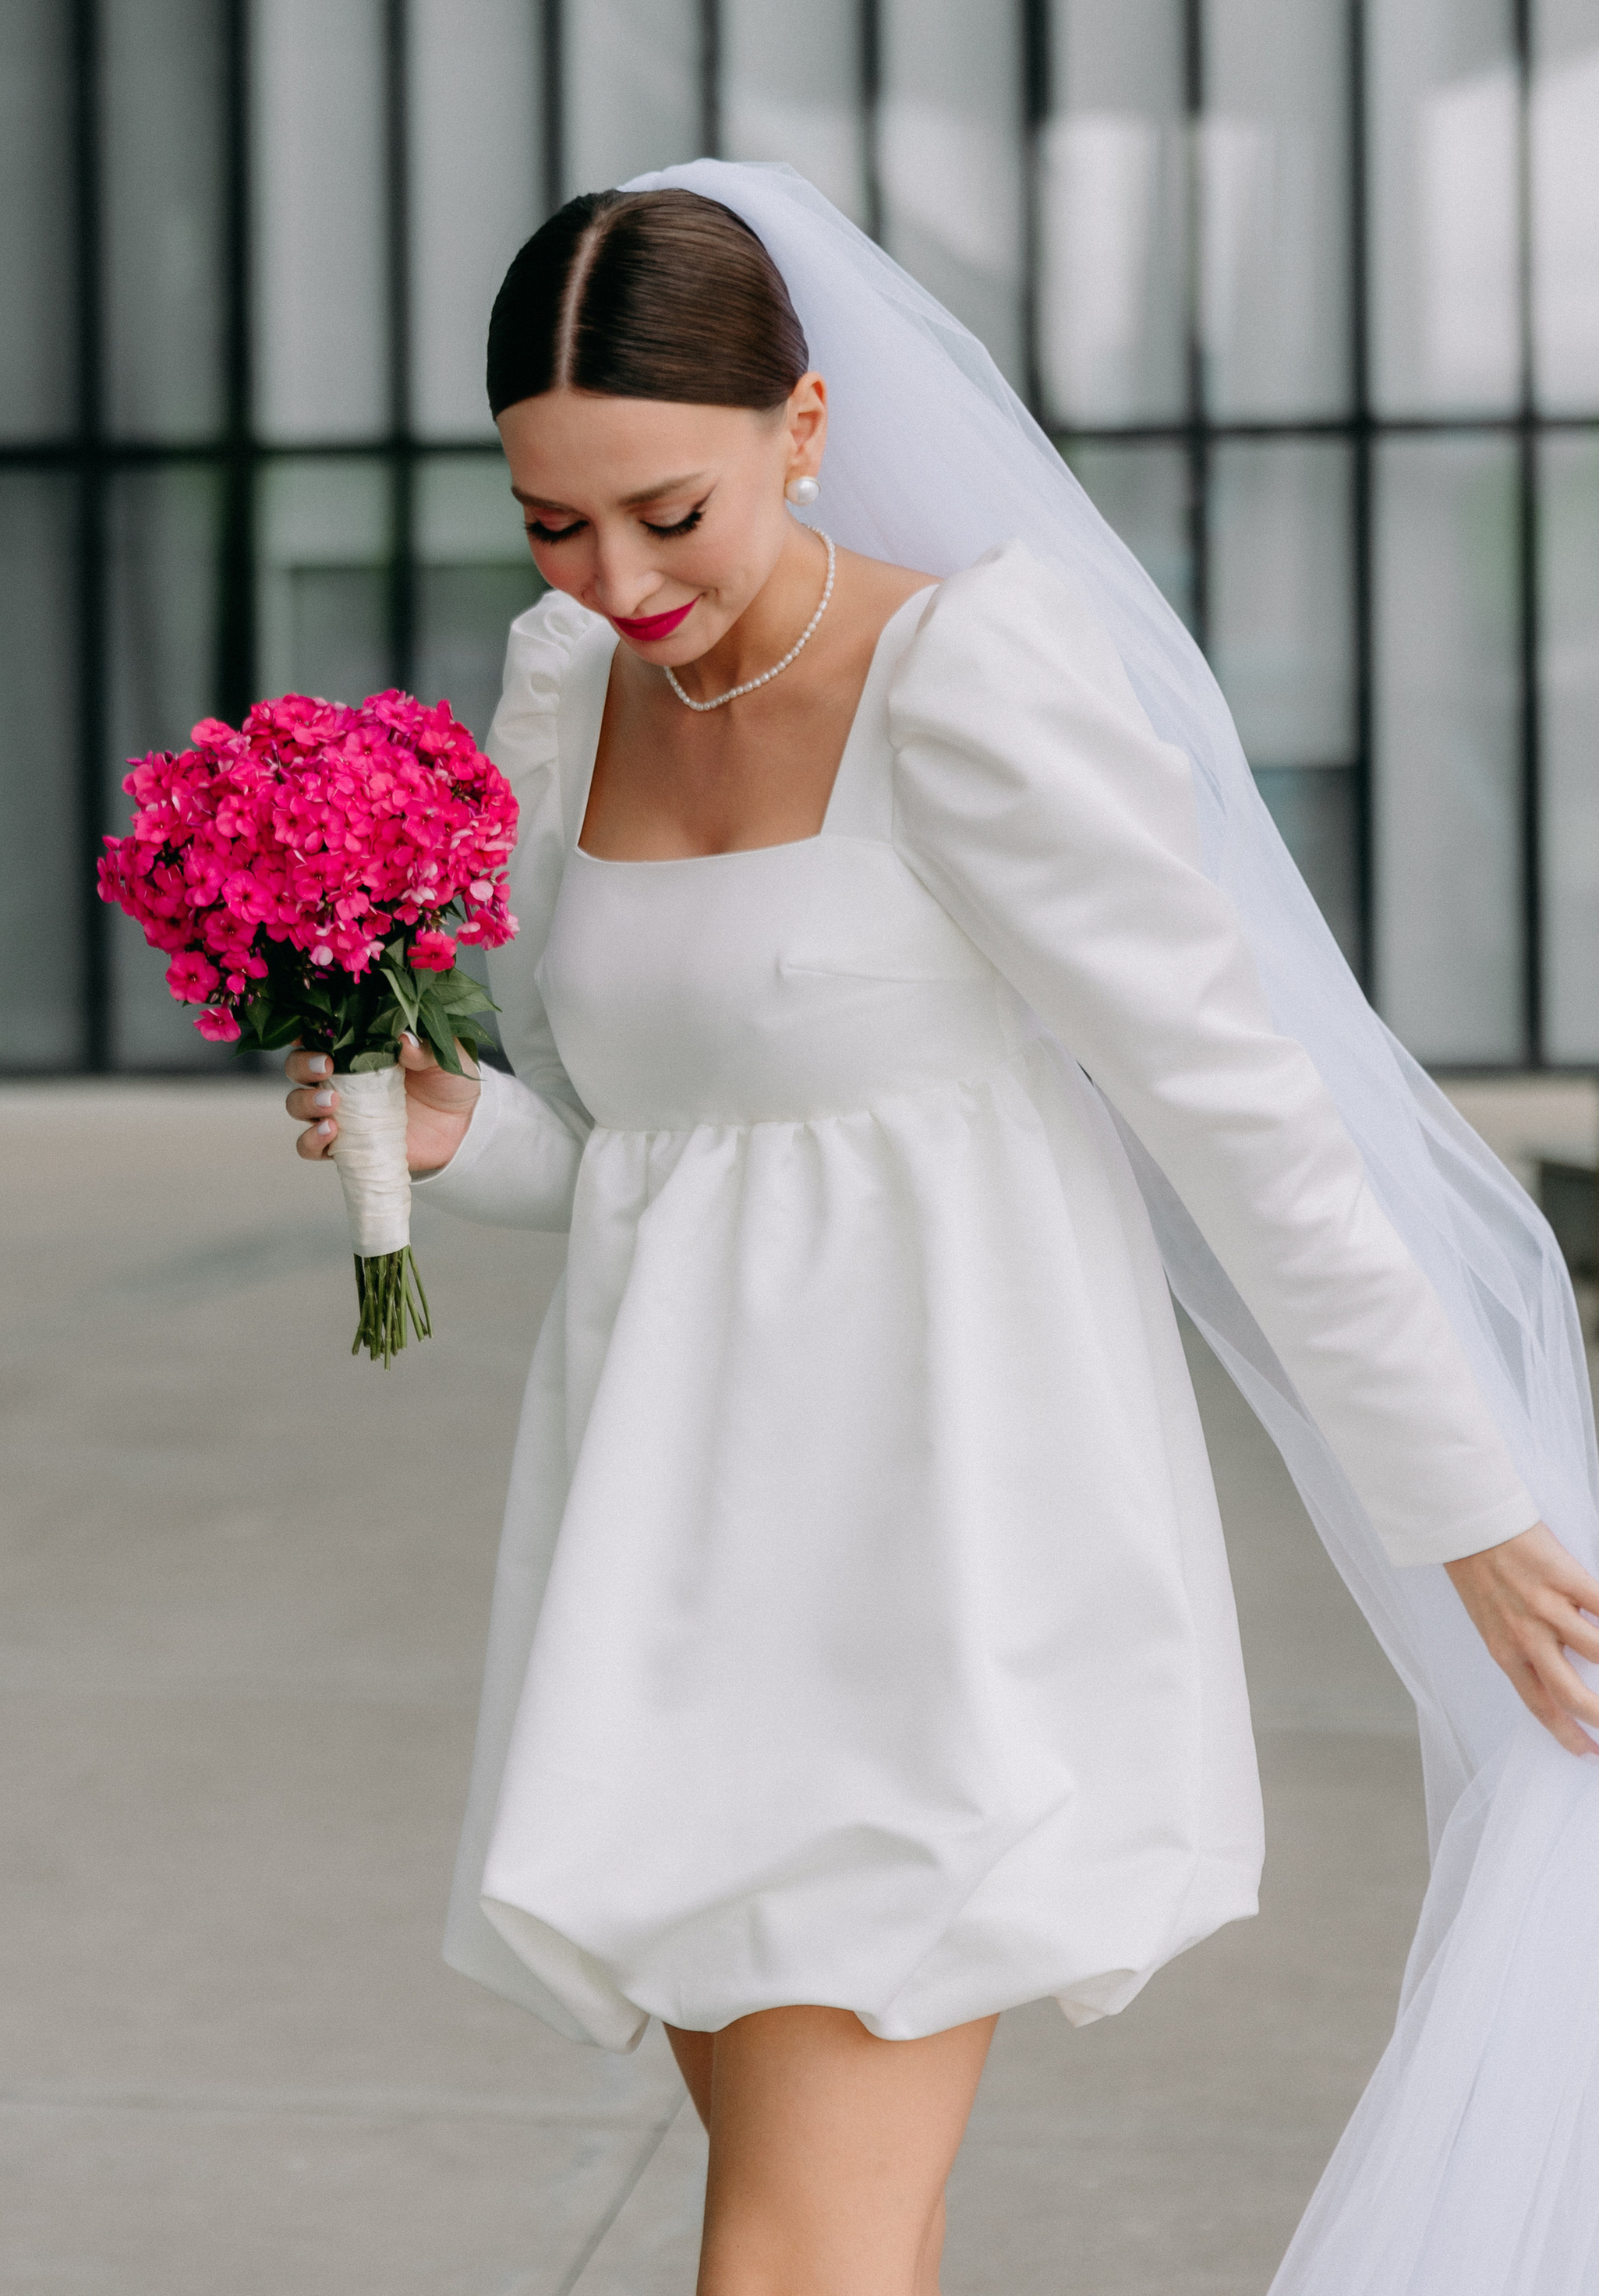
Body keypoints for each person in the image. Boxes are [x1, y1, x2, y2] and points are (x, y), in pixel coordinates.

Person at [285, 165, 1599, 2296]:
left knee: (795, 2249)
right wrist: (458, 1131)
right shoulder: (566, 690)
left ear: (803, 428)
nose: (614, 577)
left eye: (668, 515)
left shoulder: (968, 682)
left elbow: (1241, 1119)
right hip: (665, 1563)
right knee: (830, 2224)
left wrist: (1460, 1509)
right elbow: (654, 1149)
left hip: (936, 1569)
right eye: (555, 519)